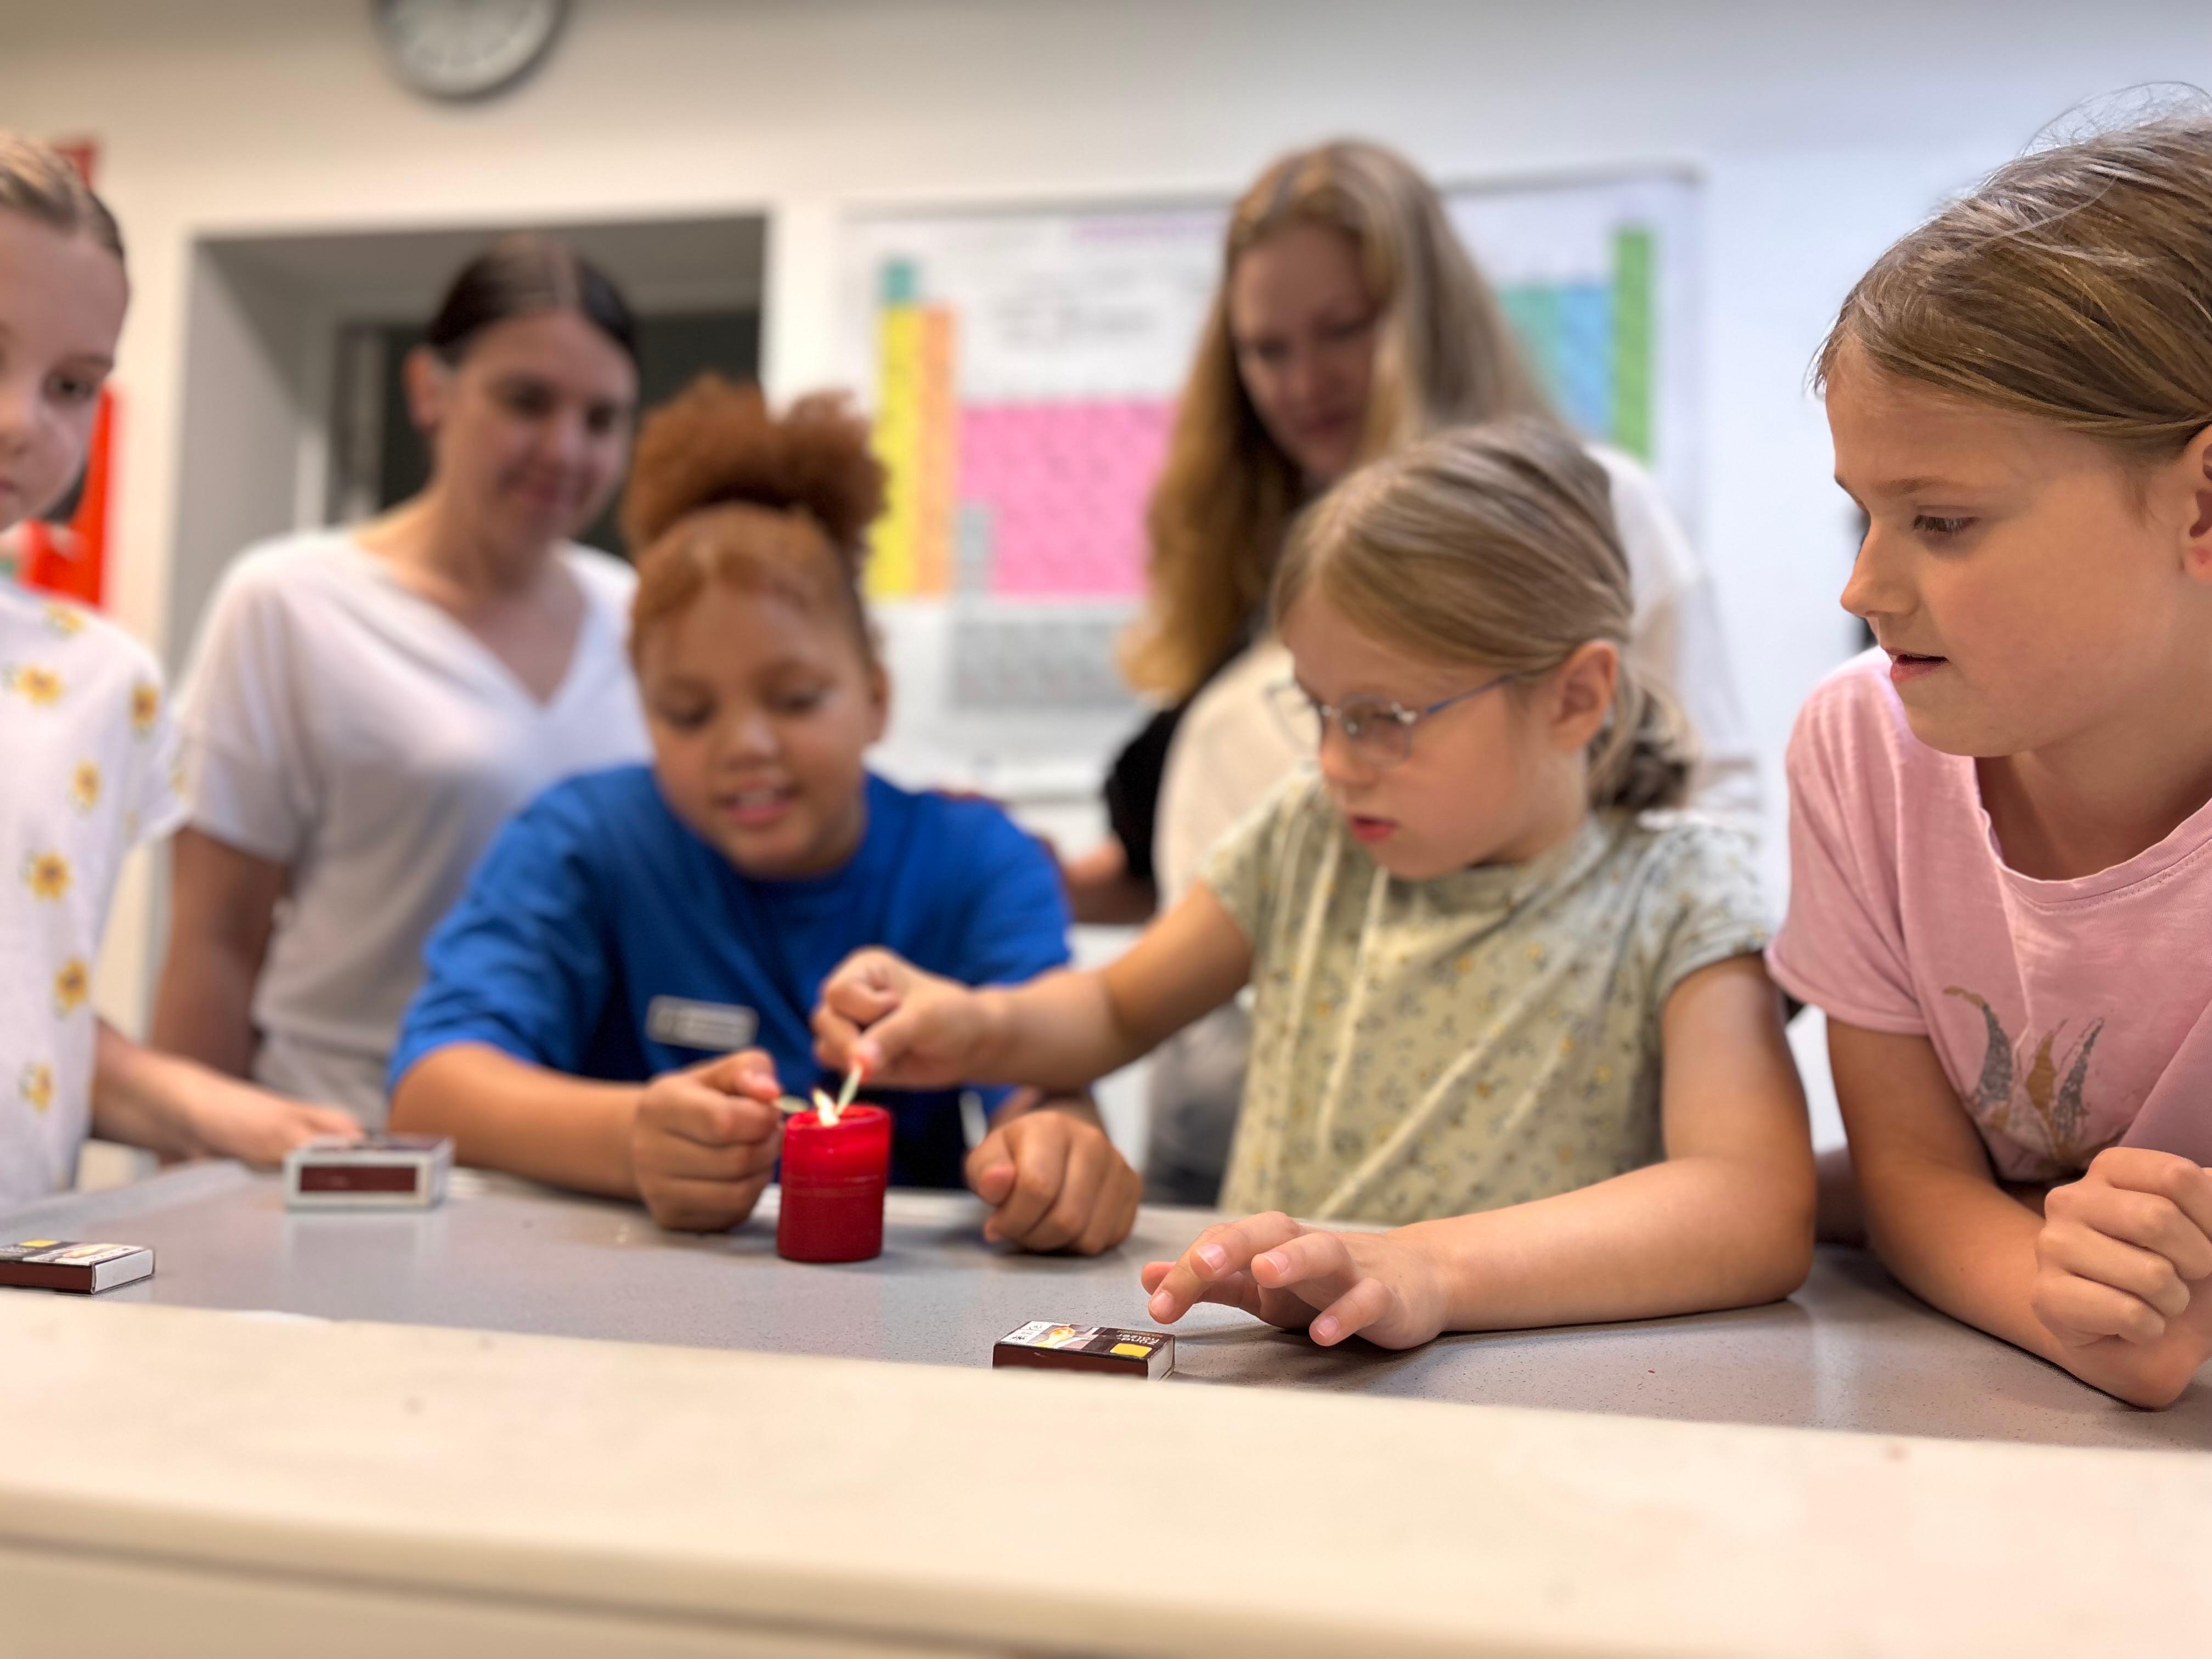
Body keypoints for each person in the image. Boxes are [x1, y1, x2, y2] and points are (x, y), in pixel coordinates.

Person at [817, 420, 1812, 1345]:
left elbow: (1752, 1205)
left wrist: (1431, 1267)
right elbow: (1119, 1008)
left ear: (1575, 696)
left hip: (1539, 1405)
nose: (1337, 760)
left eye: (1381, 715)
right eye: (1321, 709)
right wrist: (972, 1027)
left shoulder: (1681, 894)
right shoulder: (1313, 837)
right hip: (1282, 1376)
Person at [1062, 140, 1759, 1204]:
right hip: (1245, 1107)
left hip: (1515, 1122)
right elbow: (1197, 862)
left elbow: (1713, 806)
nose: (1304, 381)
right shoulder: (1247, 552)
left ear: (1427, 315)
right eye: (1266, 348)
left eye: (1344, 329)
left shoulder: (1584, 512)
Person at [388, 377, 1139, 1252]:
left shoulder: (976, 860)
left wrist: (1059, 1150)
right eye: (689, 713)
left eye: (792, 698)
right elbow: (433, 1085)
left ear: (875, 695)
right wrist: (630, 1137)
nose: (744, 745)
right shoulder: (583, 845)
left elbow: (1044, 1073)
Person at [1769, 115, 2212, 1409]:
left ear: (2200, 507)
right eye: (1864, 512)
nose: (1865, 586)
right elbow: (1910, 1180)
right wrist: (2069, 1309)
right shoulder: (1861, 749)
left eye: (1943, 523)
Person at [151, 235, 650, 1126]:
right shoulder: (292, 603)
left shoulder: (644, 620)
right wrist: (189, 1183)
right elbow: (216, 944)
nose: (565, 449)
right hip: (334, 1141)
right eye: (526, 401)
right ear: (430, 390)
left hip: (572, 1146)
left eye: (602, 419)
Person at [0, 133, 354, 1207]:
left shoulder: (100, 679)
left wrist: (196, 1104)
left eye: (71, 385)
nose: (24, 423)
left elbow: (29, 1011)